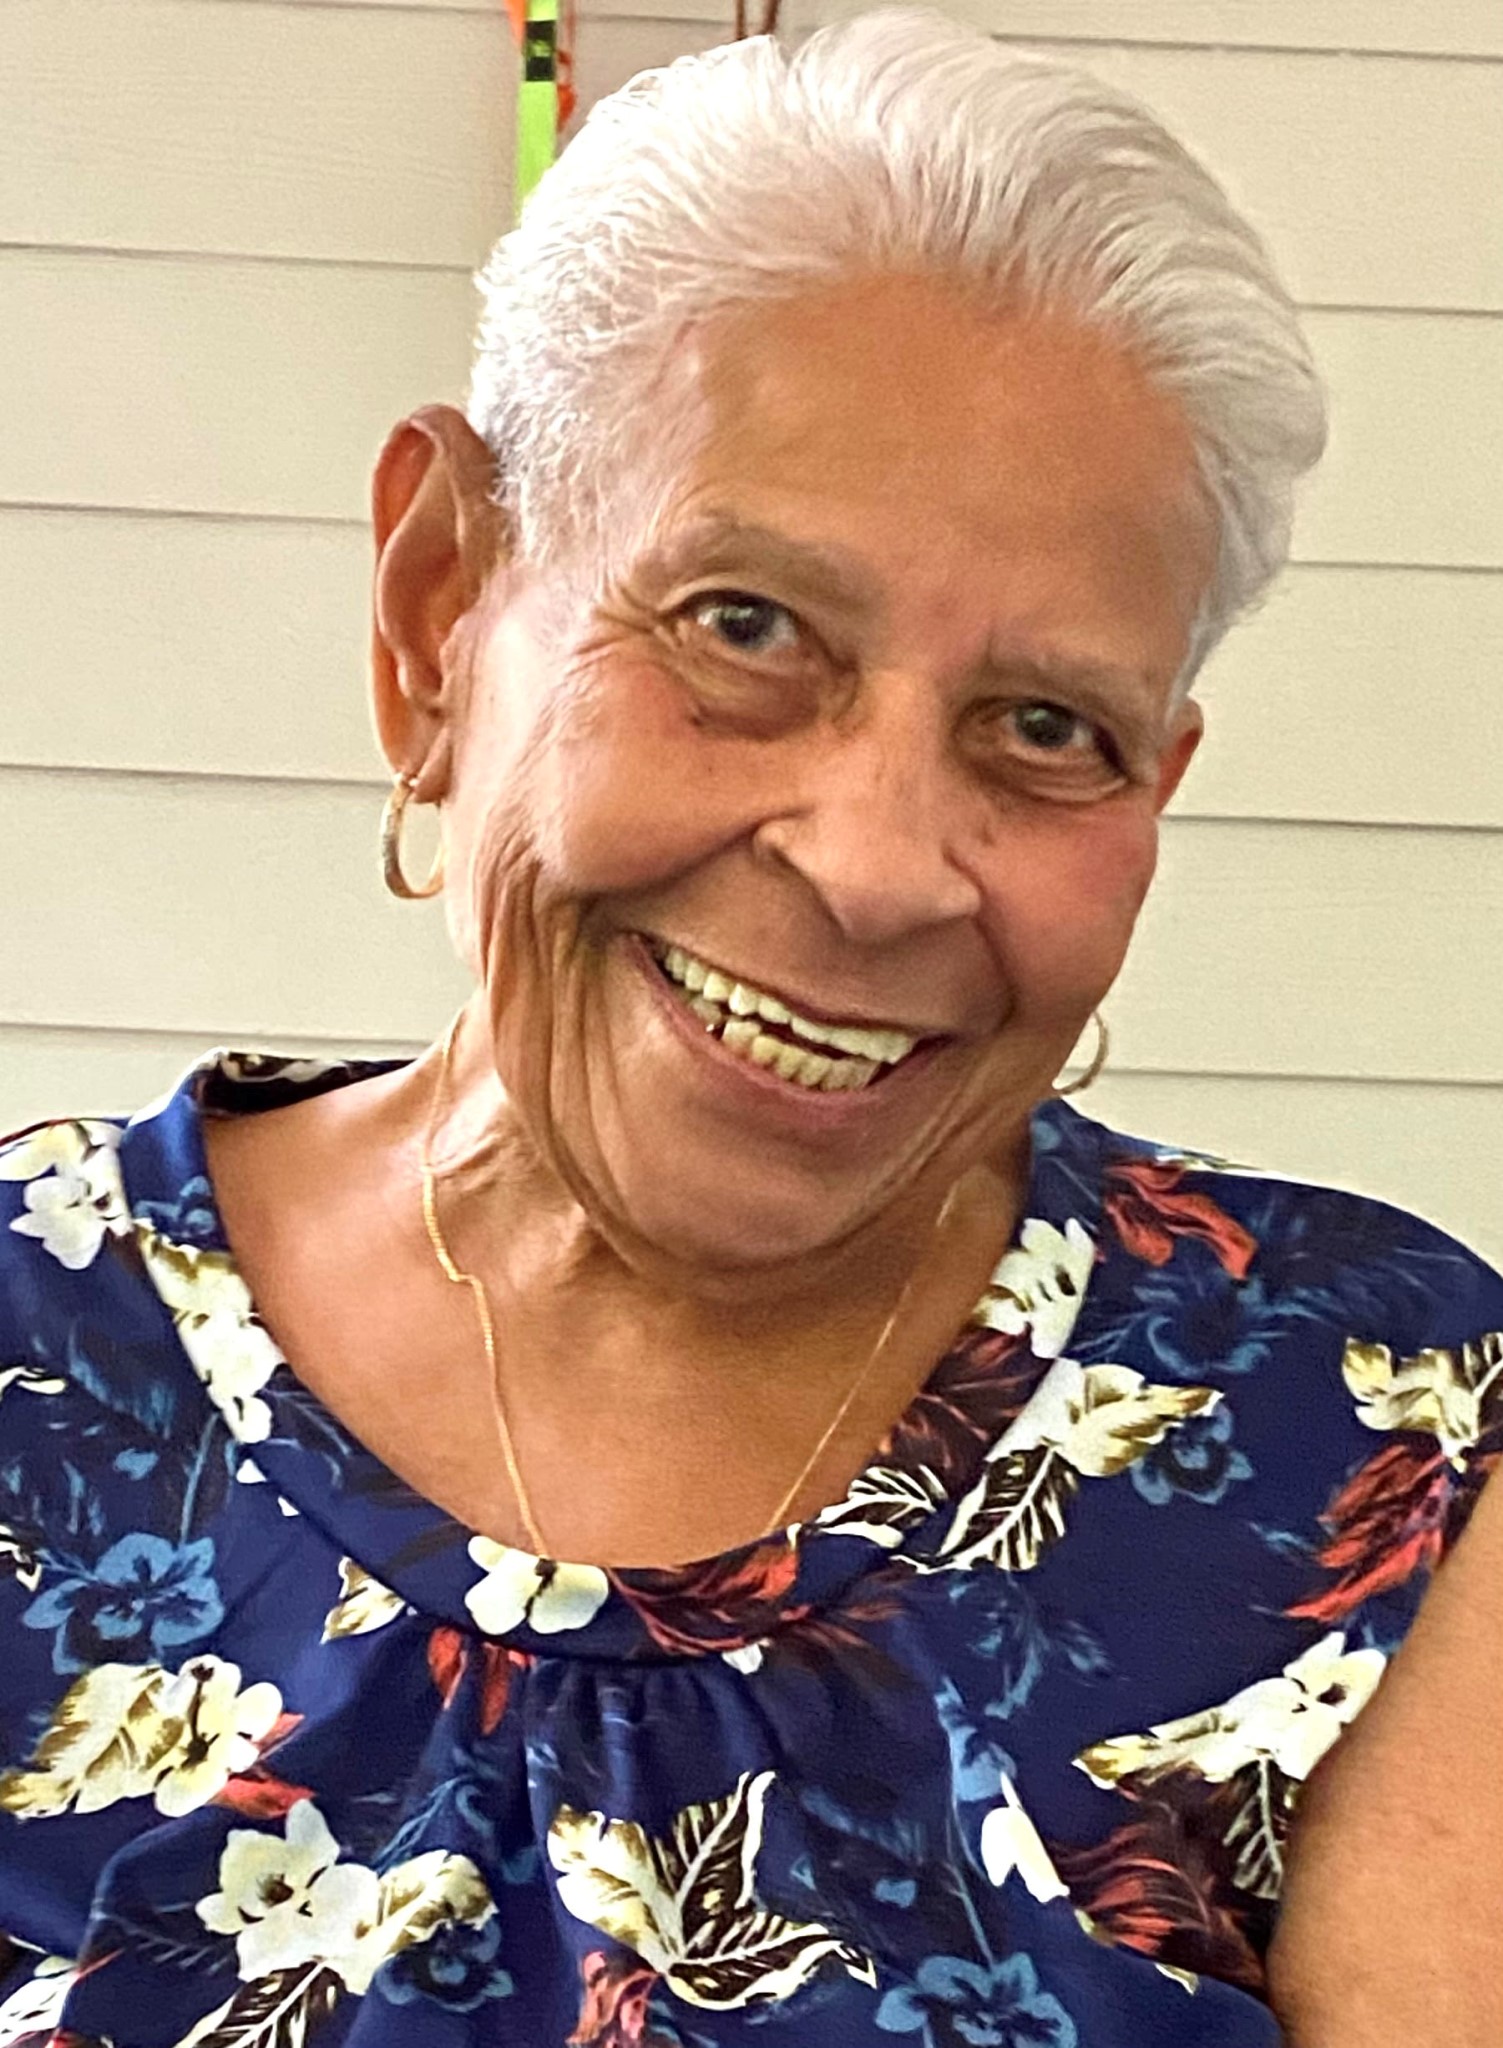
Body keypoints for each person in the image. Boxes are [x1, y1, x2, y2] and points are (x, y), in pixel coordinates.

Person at [0, 7, 1498, 2044]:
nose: (876, 865)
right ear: (440, 610)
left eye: (1043, 725)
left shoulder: (1383, 1428)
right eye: (745, 625)